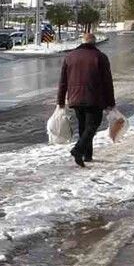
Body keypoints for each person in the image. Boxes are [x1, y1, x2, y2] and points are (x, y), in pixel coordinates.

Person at [57, 33, 116, 167]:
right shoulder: (100, 57)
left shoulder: (70, 57)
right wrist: (111, 102)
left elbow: (63, 82)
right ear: (94, 43)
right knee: (92, 126)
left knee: (83, 126)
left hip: (75, 98)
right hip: (94, 98)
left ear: (82, 42)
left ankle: (87, 155)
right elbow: (107, 82)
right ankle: (78, 150)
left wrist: (60, 100)